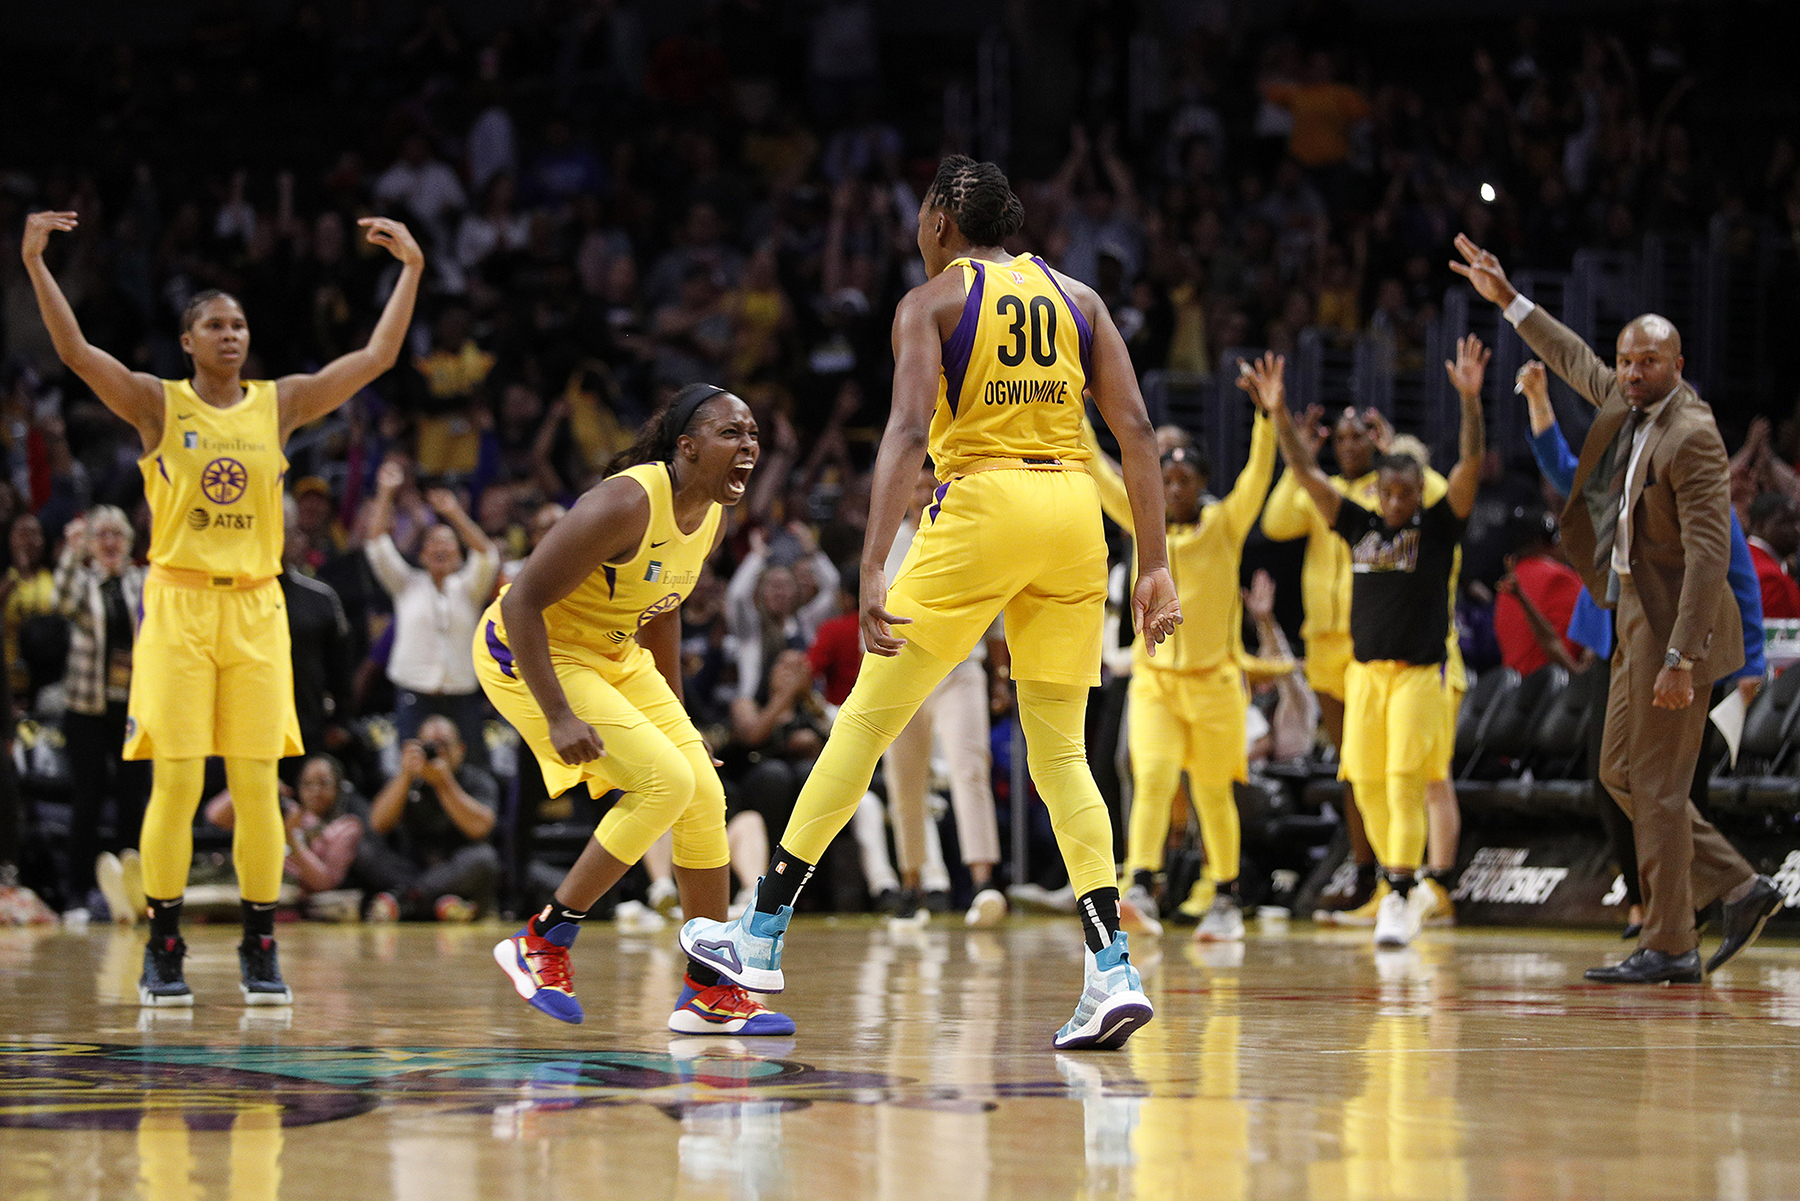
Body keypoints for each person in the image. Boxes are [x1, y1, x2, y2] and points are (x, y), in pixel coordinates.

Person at [679, 155, 1181, 1051]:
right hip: (1073, 512)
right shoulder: (1080, 299)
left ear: (944, 222)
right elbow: (1136, 431)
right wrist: (1156, 565)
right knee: (1061, 750)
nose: (915, 228)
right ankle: (1112, 969)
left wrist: (872, 561)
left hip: (983, 502)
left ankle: (757, 940)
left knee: (865, 721)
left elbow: (908, 432)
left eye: (919, 213)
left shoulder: (934, 301)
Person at [21, 207, 424, 1006]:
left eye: (239, 322)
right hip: (176, 605)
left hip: (255, 608)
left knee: (255, 783)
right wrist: (36, 263)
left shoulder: (280, 403)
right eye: (214, 323)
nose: (231, 333)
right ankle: (163, 942)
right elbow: (73, 351)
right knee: (174, 784)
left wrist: (410, 268)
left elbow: (377, 356)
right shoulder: (156, 404)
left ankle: (259, 942)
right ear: (187, 341)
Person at [1454, 233, 1781, 982]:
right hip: (1630, 611)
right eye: (1627, 361)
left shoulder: (1692, 436)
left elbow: (1707, 558)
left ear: (1679, 368)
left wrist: (1678, 656)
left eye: (1648, 363)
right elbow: (1573, 359)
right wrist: (1508, 300)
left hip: (1675, 629)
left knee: (1659, 789)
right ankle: (1737, 882)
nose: (1631, 373)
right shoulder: (1629, 405)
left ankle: (1671, 941)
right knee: (1621, 775)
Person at [482, 383, 796, 1037]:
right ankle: (542, 940)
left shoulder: (711, 512)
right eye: (731, 434)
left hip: (613, 652)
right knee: (666, 781)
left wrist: (675, 719)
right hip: (533, 652)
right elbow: (521, 604)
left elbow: (664, 611)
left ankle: (709, 991)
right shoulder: (628, 499)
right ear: (687, 447)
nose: (749, 447)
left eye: (754, 435)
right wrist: (560, 713)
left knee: (703, 790)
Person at [1263, 334, 1486, 949]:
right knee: (1362, 779)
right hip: (1362, 674)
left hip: (1418, 673)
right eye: (1386, 492)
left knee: (1405, 777)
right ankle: (1397, 885)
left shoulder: (1439, 526)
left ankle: (1403, 889)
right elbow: (1306, 475)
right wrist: (1279, 413)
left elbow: (1468, 467)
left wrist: (1470, 401)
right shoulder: (1357, 522)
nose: (1393, 502)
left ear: (1419, 493)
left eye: (1404, 493)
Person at [1083, 359, 1277, 944]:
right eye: (1164, 483)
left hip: (1216, 683)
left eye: (1184, 482)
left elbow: (1257, 479)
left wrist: (1268, 417)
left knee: (1214, 793)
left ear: (1201, 485)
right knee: (1154, 777)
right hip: (1156, 681)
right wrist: (1074, 412)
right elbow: (1097, 470)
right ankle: (1140, 884)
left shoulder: (1225, 525)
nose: (1172, 490)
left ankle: (1226, 895)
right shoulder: (1148, 524)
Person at [879, 466, 1007, 927]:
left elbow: (995, 612)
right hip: (902, 670)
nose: (921, 493)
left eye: (928, 485)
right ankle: (912, 886)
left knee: (970, 768)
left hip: (959, 669)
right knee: (904, 778)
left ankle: (983, 884)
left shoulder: (970, 537)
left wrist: (1000, 676)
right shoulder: (889, 545)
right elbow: (873, 611)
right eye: (913, 486)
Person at [52, 506, 149, 923]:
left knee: (135, 799)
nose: (110, 542)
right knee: (87, 800)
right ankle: (77, 893)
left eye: (117, 534)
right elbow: (62, 602)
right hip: (87, 708)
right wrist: (73, 555)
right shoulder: (83, 581)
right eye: (102, 535)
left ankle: (137, 892)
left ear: (128, 542)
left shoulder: (142, 581)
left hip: (133, 708)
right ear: (91, 544)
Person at [364, 462, 500, 753]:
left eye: (448, 544)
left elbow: (487, 554)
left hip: (462, 695)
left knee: (471, 766)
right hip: (414, 694)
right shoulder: (406, 584)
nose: (441, 548)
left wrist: (454, 513)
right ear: (422, 555)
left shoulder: (469, 588)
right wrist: (386, 491)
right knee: (412, 769)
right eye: (434, 544)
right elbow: (376, 543)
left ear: (459, 555)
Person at [359, 715, 500, 920]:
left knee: (484, 859)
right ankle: (436, 904)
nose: (437, 751)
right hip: (411, 867)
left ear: (461, 749)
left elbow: (480, 828)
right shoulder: (406, 778)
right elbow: (377, 824)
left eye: (444, 744)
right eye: (429, 746)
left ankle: (405, 900)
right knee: (364, 847)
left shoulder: (478, 781)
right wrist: (405, 775)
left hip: (454, 870)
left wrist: (444, 783)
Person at [1745, 493, 1800, 621]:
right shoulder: (1771, 577)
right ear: (1760, 525)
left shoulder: (1747, 558)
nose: (1796, 530)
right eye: (1787, 522)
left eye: (1797, 522)